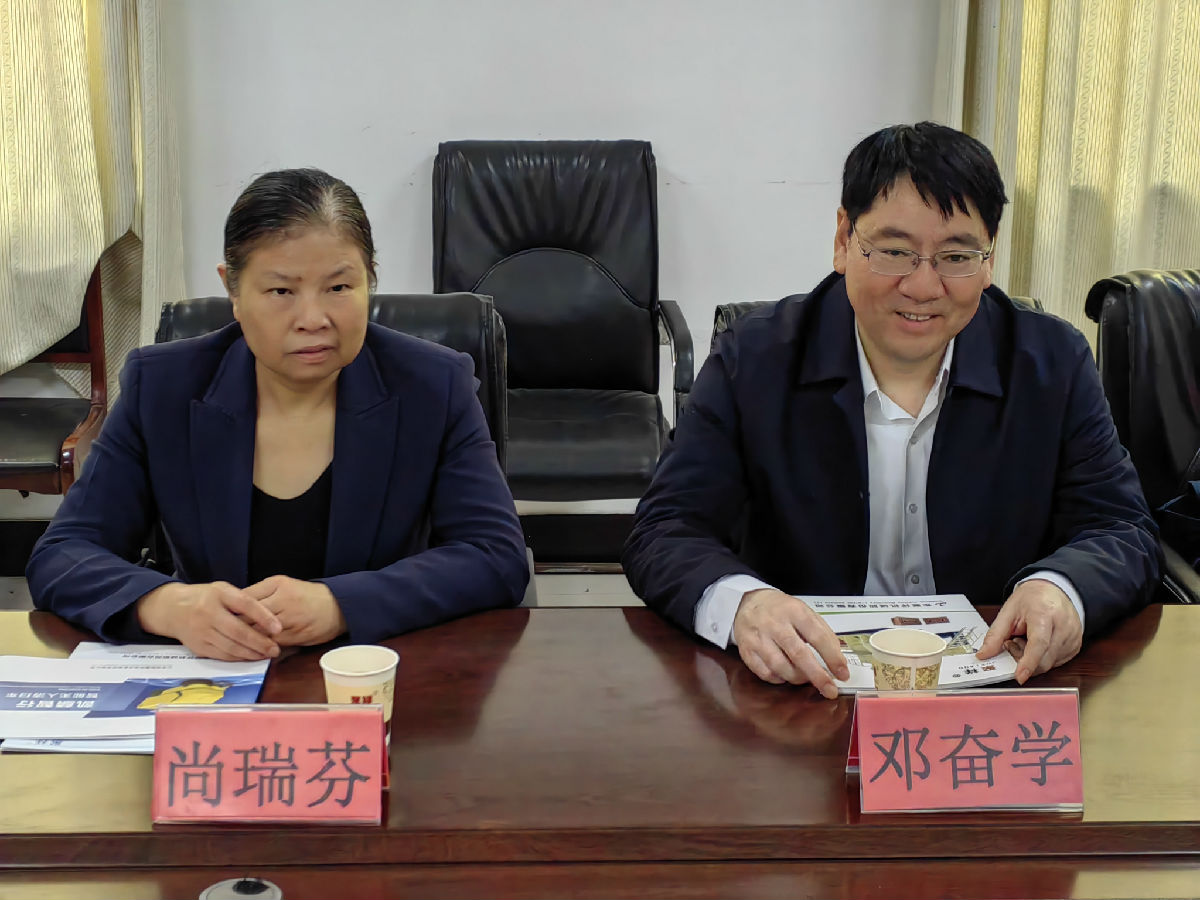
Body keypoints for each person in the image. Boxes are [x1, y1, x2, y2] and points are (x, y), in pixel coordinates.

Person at [623, 123, 1161, 698]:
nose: (923, 286)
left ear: (989, 258)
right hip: (805, 690)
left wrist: (1061, 590)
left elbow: (1121, 527)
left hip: (994, 695)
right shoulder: (754, 359)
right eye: (895, 252)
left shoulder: (1051, 362)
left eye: (956, 256)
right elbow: (666, 528)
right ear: (843, 239)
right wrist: (744, 605)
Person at [28, 168, 529, 660]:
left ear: (370, 279)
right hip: (216, 677)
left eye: (339, 288)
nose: (313, 319)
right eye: (281, 291)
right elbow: (64, 553)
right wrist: (167, 605)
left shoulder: (433, 385)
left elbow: (495, 555)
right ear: (233, 290)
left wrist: (341, 604)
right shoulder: (163, 387)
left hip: (374, 674)